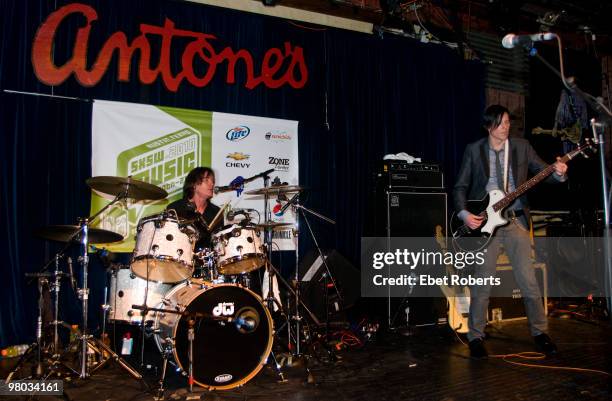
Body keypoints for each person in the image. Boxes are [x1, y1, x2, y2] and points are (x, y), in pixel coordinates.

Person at [453, 104, 568, 359]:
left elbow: (542, 171)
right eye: (502, 123)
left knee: (528, 281)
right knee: (483, 283)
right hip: (486, 225)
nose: (507, 127)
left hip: (515, 221)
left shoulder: (521, 147)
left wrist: (558, 173)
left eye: (508, 122)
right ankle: (475, 337)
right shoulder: (474, 150)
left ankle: (539, 333)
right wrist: (464, 214)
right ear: (489, 126)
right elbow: (460, 186)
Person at [166, 167, 220, 250]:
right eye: (207, 180)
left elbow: (218, 244)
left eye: (213, 181)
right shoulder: (175, 208)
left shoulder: (217, 212)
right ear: (194, 184)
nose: (212, 184)